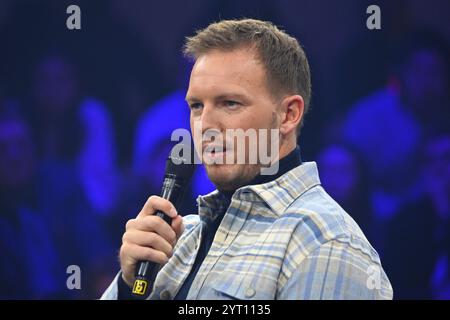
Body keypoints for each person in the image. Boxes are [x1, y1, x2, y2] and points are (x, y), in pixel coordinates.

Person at [101, 18, 392, 300]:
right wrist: (128, 289)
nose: (206, 124)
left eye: (230, 103)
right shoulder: (175, 241)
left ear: (288, 115)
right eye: (197, 106)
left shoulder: (326, 244)